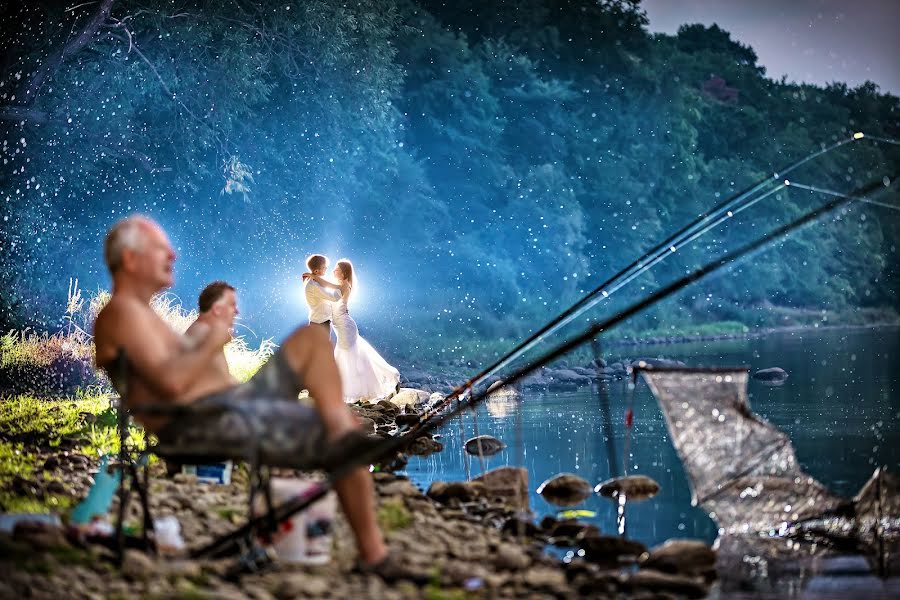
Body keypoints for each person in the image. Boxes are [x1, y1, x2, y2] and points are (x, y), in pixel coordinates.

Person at [92, 216, 420, 582]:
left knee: (311, 341)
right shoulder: (122, 313)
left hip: (225, 407)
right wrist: (212, 341)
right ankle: (368, 534)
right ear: (131, 260)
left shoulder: (139, 314)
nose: (171, 253)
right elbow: (170, 386)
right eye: (159, 248)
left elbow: (173, 375)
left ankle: (339, 428)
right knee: (333, 417)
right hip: (201, 423)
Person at [303, 259, 400, 403]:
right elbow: (328, 288)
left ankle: (353, 391)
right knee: (348, 356)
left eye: (336, 269)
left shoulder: (344, 285)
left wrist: (316, 277)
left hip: (345, 326)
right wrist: (315, 277)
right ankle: (342, 389)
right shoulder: (339, 284)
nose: (333, 270)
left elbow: (333, 294)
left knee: (349, 356)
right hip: (338, 325)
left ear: (343, 272)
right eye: (332, 268)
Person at [185, 280, 240, 387]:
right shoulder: (205, 336)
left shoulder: (203, 332)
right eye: (232, 305)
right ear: (217, 309)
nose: (237, 311)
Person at [303, 254, 337, 334]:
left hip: (320, 321)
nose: (326, 268)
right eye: (324, 267)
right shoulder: (314, 285)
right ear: (316, 271)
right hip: (320, 323)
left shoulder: (316, 282)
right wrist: (343, 288)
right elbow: (333, 297)